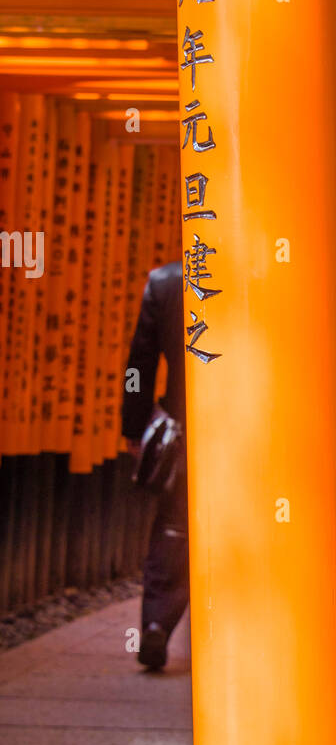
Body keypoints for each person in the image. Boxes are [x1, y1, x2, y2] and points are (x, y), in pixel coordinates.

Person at [122, 261, 189, 671]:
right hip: (250, 422)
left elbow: (138, 367)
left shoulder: (166, 283)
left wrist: (135, 425)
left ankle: (156, 623)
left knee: (175, 525)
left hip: (185, 426)